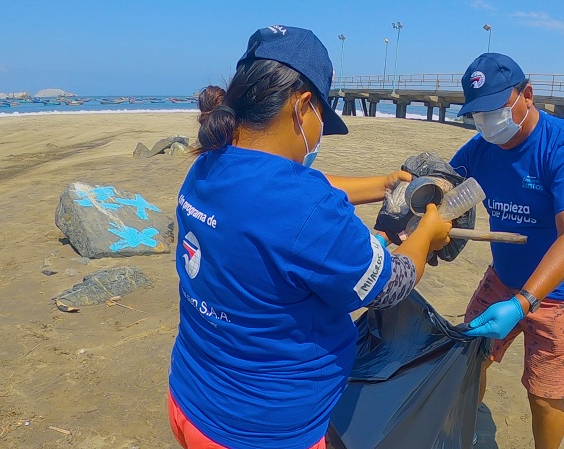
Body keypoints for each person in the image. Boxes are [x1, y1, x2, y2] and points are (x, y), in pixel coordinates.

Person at [167, 25, 452, 449]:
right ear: (302, 107)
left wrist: (383, 184)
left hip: (191, 399)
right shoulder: (306, 208)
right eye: (322, 117)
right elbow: (391, 285)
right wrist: (427, 233)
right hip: (262, 430)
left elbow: (296, 195)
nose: (320, 133)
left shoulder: (208, 166)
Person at [453, 53, 564, 449]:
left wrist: (523, 303)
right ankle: (461, 430)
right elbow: (444, 188)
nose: (487, 122)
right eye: (477, 114)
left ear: (528, 95)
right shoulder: (479, 151)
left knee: (543, 393)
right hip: (504, 278)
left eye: (495, 110)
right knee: (469, 358)